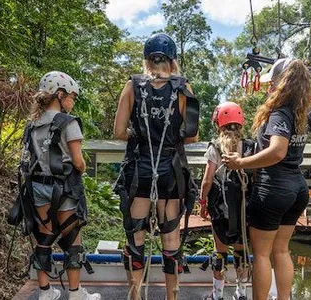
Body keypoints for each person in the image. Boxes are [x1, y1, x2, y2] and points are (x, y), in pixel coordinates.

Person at [113, 33, 199, 300]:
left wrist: (140, 136)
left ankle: (136, 295)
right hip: (170, 173)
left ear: (146, 60)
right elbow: (193, 134)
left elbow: (118, 132)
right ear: (172, 62)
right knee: (170, 241)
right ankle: (171, 298)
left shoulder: (132, 86)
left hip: (140, 169)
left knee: (135, 238)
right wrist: (172, 136)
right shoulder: (184, 88)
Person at [222, 58, 311, 300]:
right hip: (297, 188)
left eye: (272, 83)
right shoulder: (304, 112)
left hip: (273, 188)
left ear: (280, 83)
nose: (269, 88)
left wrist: (240, 163)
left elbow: (277, 151)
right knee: (282, 250)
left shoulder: (280, 113)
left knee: (262, 254)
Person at [19, 71, 101, 300]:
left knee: (43, 238)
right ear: (60, 94)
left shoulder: (32, 123)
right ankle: (75, 294)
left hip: (37, 187)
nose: (73, 101)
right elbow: (78, 162)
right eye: (72, 96)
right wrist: (82, 168)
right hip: (64, 189)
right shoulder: (68, 123)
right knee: (73, 239)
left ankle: (45, 292)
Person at [199, 102, 255, 300]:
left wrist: (203, 203)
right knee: (241, 252)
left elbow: (207, 181)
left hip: (220, 211)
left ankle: (218, 295)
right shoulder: (250, 147)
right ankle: (241, 293)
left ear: (219, 122)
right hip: (244, 211)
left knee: (220, 252)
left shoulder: (215, 147)